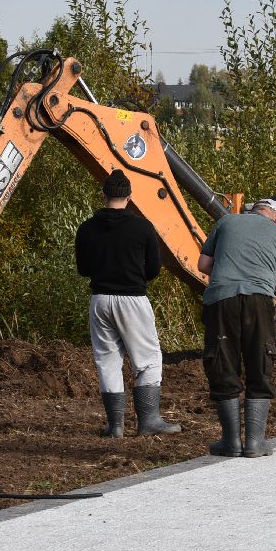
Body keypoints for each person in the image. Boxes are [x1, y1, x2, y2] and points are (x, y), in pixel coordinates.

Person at [74, 170, 180, 437]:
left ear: (104, 195)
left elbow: (83, 269)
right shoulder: (142, 227)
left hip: (99, 299)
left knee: (107, 360)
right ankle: (148, 421)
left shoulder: (86, 228)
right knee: (148, 359)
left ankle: (116, 426)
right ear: (130, 197)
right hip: (133, 298)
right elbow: (154, 268)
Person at [196, 198, 276, 457]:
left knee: (223, 364)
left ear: (251, 211)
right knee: (259, 364)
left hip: (221, 301)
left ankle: (230, 442)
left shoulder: (225, 222)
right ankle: (255, 443)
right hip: (259, 303)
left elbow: (203, 265)